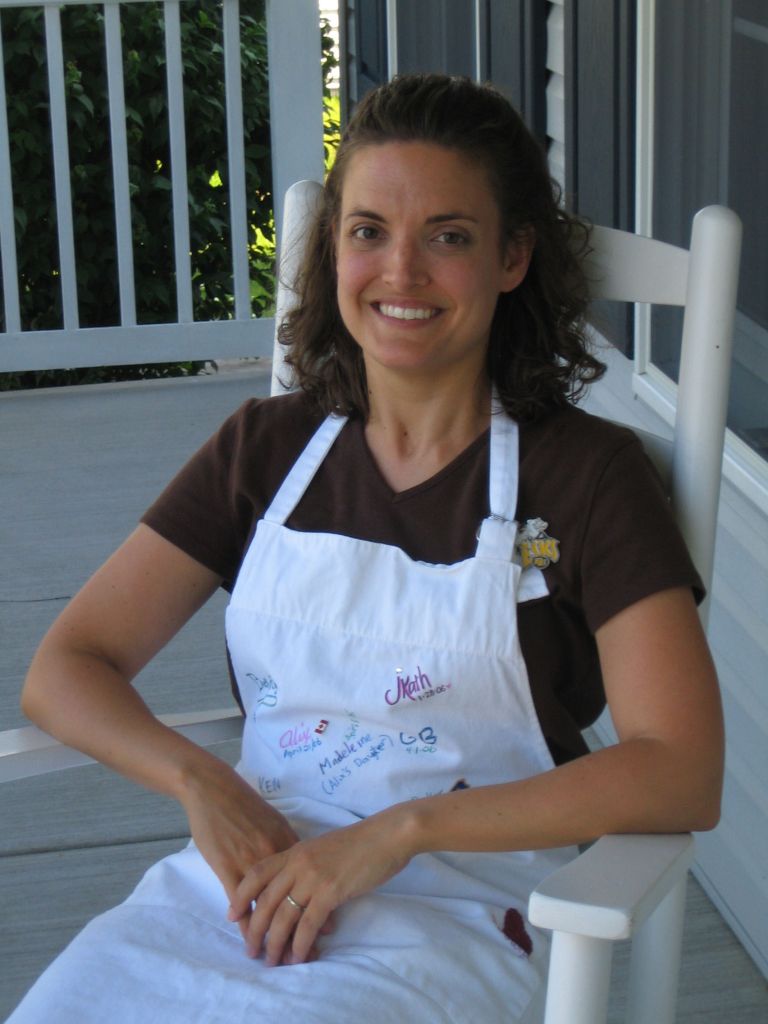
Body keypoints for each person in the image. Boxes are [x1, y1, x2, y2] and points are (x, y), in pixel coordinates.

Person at [10, 74, 723, 1023]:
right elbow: (66, 669)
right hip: (239, 890)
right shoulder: (265, 448)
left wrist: (404, 831)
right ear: (332, 249)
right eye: (368, 231)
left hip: (461, 909)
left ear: (513, 258)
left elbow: (681, 766)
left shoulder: (586, 476)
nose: (401, 273)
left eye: (450, 236)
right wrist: (201, 782)